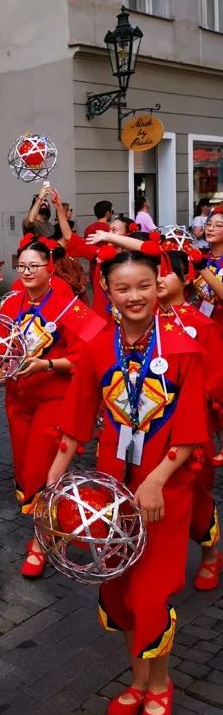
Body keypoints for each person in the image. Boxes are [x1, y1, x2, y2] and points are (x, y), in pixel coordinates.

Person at [48, 250, 209, 715]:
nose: (134, 296)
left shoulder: (184, 347)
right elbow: (75, 424)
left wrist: (157, 479)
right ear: (109, 292)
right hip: (109, 491)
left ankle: (160, 685)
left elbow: (190, 431)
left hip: (165, 490)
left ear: (158, 286)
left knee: (149, 591)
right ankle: (138, 679)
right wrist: (51, 487)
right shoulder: (99, 347)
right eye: (123, 288)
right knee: (117, 589)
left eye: (144, 286)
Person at [0, 236, 88, 576]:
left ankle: (41, 543)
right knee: (25, 470)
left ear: (50, 267)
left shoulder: (70, 305)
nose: (25, 272)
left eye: (33, 266)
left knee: (40, 468)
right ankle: (52, 526)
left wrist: (49, 365)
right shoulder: (11, 304)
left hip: (54, 398)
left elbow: (88, 354)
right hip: (17, 398)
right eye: (21, 266)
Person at [156, 248, 223, 590]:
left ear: (185, 279)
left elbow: (216, 382)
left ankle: (210, 553)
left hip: (191, 428)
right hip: (149, 428)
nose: (156, 279)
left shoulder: (202, 324)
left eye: (164, 272)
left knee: (194, 494)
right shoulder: (141, 321)